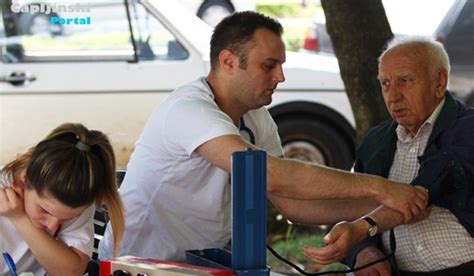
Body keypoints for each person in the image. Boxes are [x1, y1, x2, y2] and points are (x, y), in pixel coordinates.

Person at [99, 11, 428, 262]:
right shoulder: (188, 110)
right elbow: (274, 177)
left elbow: (294, 203)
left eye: (281, 65)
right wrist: (381, 187)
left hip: (196, 268)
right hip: (135, 266)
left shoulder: (257, 116)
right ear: (228, 61)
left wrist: (383, 206)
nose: (280, 77)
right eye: (269, 66)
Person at [303, 37, 474, 276]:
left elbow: (427, 189)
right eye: (385, 83)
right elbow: (346, 203)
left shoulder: (467, 128)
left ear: (439, 82)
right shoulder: (378, 141)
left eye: (405, 81)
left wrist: (362, 229)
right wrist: (363, 250)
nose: (392, 96)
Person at [0, 123, 125, 276]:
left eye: (68, 218)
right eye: (45, 210)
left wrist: (20, 219)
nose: (53, 225)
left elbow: (71, 275)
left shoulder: (75, 198)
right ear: (25, 179)